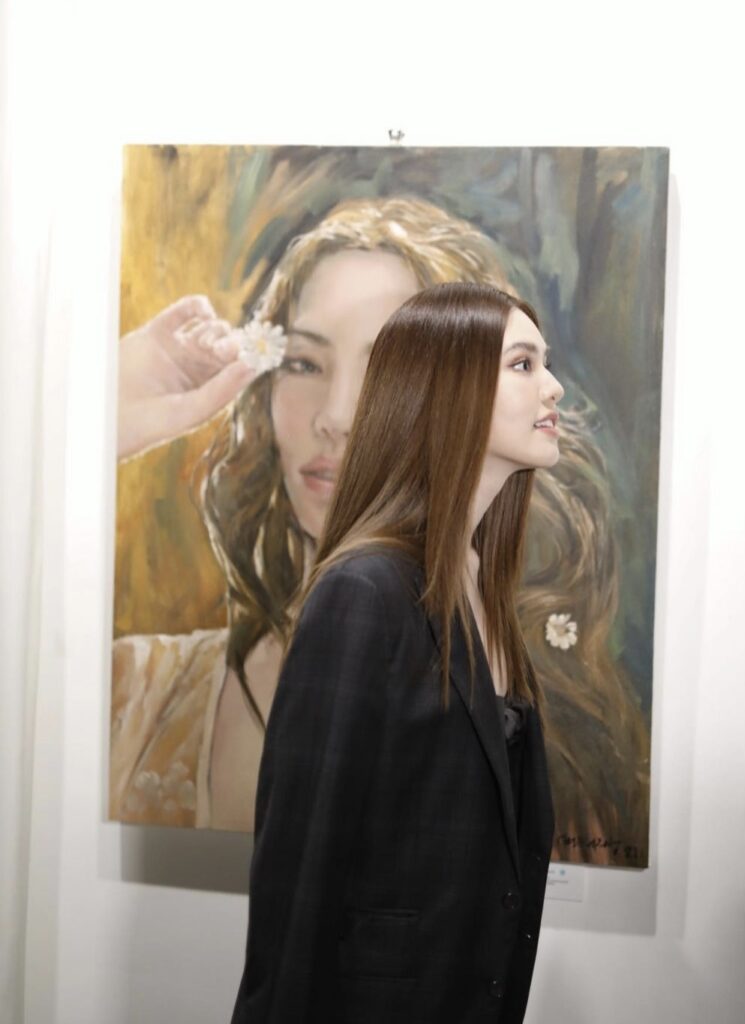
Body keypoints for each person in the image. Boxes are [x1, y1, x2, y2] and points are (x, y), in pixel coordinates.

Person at [111, 194, 648, 864]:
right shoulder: (136, 694)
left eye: (388, 369)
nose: (335, 417)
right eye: (303, 363)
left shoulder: (538, 717)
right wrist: (112, 410)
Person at [230, 281, 562, 1023]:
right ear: (447, 387)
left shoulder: (483, 586)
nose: (553, 386)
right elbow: (300, 876)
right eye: (523, 364)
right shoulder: (364, 592)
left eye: (544, 364)